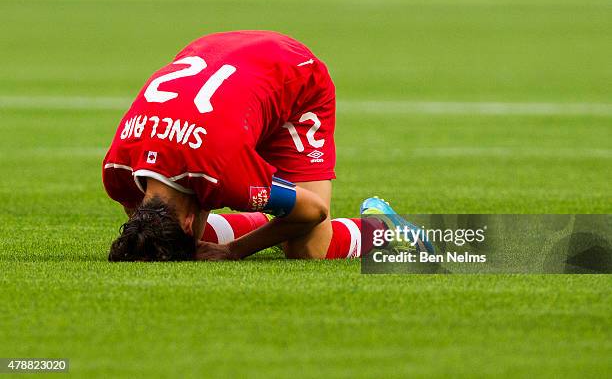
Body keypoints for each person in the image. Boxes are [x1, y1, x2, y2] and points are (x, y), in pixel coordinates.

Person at [103, 30, 430, 261]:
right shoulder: (117, 171)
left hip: (294, 77)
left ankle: (386, 230)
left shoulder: (222, 173)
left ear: (188, 223)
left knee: (307, 249)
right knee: (188, 239)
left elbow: (314, 211)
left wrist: (235, 251)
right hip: (217, 50)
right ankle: (275, 224)